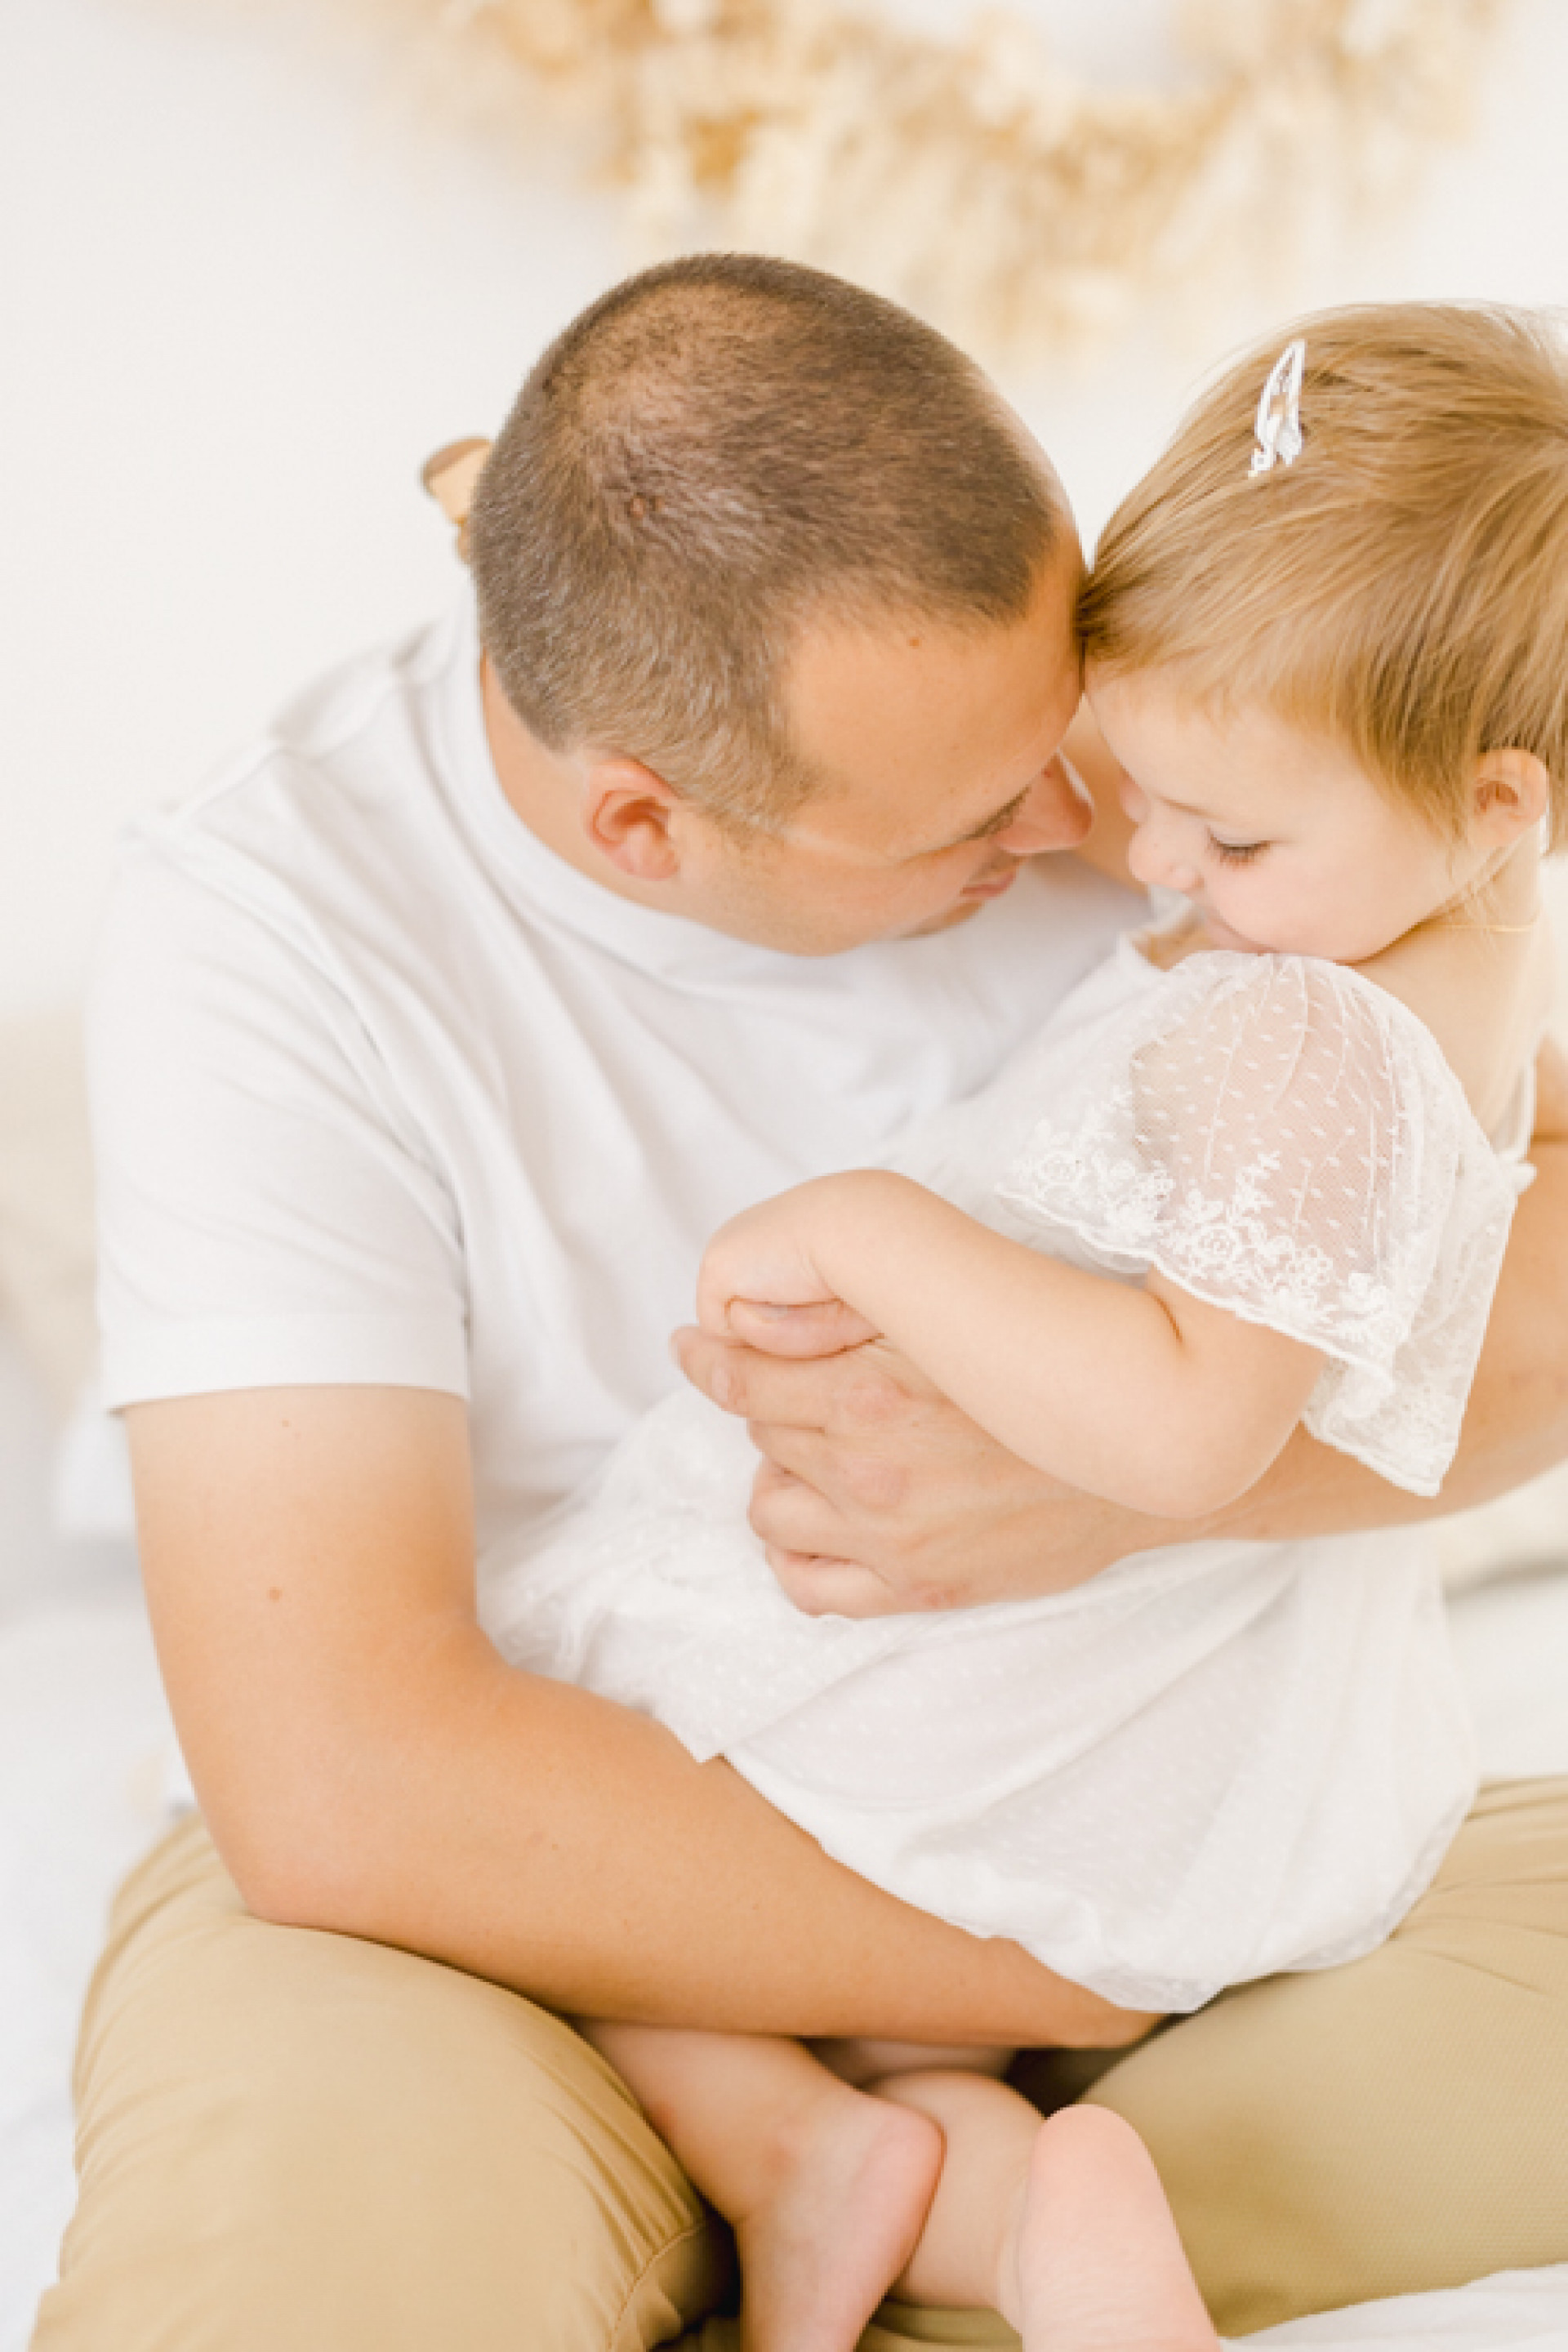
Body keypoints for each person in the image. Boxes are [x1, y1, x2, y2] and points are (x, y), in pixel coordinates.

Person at [32, 259, 1568, 2352]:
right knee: (319, 2256)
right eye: (981, 817)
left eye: (1082, 737)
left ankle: (909, 2208)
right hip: (534, 1870)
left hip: (1144, 1794)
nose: (1095, 835)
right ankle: (896, 2189)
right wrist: (1057, 1958)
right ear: (644, 826)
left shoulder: (1211, 747)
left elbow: (1494, 1199)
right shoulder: (274, 932)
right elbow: (343, 1784)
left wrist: (1130, 1492)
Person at [491, 303, 1561, 2352]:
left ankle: (806, 2155)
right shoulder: (1460, 935)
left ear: (1501, 798)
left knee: (562, 1839)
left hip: (1026, 1678)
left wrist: (874, 1232)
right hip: (1151, 1706)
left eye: (1229, 838)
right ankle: (986, 2192)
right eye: (1137, 779)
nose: (1135, 860)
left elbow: (1185, 1442)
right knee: (821, 1987)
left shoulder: (1312, 1035)